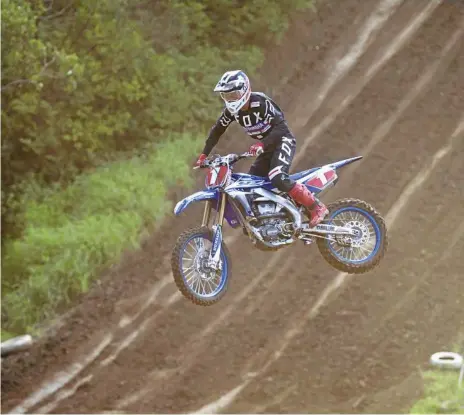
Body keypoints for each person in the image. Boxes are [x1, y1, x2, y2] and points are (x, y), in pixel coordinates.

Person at [194, 70, 328, 227]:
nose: (230, 100)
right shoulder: (232, 112)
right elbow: (217, 130)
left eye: (233, 95)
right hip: (266, 148)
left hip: (282, 141)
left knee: (277, 176)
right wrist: (204, 155)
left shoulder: (260, 103)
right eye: (226, 96)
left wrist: (261, 144)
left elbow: (280, 127)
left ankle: (316, 207)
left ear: (244, 90)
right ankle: (275, 219)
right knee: (251, 186)